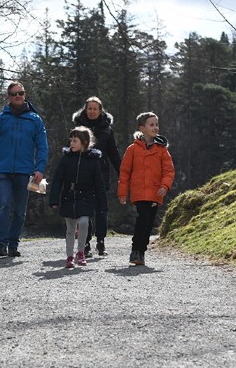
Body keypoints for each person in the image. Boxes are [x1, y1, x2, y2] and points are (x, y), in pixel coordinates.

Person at [0, 81, 48, 257]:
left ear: (25, 95)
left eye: (21, 93)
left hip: (25, 172)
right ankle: (1, 244)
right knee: (3, 205)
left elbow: (42, 147)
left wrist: (39, 168)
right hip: (2, 171)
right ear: (9, 97)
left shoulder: (35, 120)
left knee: (20, 211)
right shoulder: (0, 119)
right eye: (14, 94)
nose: (18, 96)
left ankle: (13, 244)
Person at [118, 112, 175, 266]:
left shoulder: (162, 150)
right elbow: (124, 172)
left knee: (149, 223)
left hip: (155, 193)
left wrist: (165, 186)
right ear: (142, 128)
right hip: (138, 193)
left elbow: (169, 171)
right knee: (143, 217)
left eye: (157, 124)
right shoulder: (132, 149)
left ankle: (141, 252)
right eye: (151, 124)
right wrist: (122, 191)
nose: (155, 127)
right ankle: (135, 249)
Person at [49, 127, 107, 268]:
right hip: (68, 197)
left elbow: (99, 184)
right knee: (70, 228)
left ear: (85, 142)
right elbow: (57, 180)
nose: (71, 143)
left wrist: (102, 204)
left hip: (86, 197)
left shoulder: (93, 161)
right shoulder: (66, 159)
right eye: (71, 141)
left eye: (75, 141)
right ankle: (69, 256)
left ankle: (80, 252)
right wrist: (54, 199)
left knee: (83, 222)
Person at [72, 97, 122, 257]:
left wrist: (123, 173)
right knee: (85, 210)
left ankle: (101, 242)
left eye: (95, 108)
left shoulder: (107, 129)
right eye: (89, 108)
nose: (92, 111)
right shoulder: (78, 128)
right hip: (82, 175)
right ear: (85, 110)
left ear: (101, 111)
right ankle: (85, 244)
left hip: (101, 175)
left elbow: (113, 153)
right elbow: (72, 150)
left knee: (101, 210)